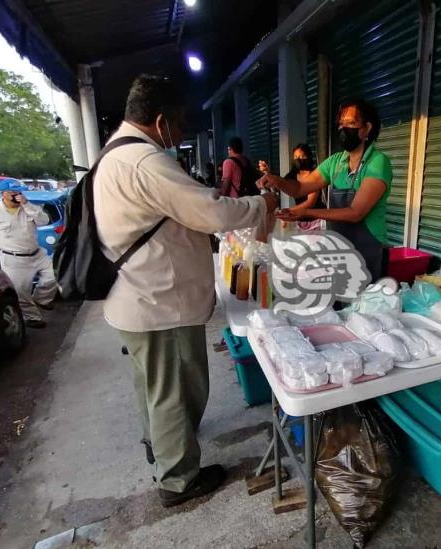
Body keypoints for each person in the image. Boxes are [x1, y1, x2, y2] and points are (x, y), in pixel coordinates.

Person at [92, 74, 278, 508]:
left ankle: (160, 447)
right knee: (175, 389)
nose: (179, 134)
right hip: (160, 302)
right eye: (177, 125)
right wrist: (262, 205)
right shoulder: (144, 160)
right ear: (160, 121)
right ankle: (177, 479)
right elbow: (209, 212)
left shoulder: (113, 153)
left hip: (137, 298)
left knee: (153, 386)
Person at [258, 99, 392, 280]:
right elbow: (299, 188)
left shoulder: (377, 162)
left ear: (367, 128)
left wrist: (308, 212)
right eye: (341, 124)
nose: (343, 129)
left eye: (351, 123)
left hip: (366, 250)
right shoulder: (336, 162)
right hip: (338, 248)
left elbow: (356, 213)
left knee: (363, 303)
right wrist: (276, 180)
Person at [0, 179, 57, 328]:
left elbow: (43, 221)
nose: (16, 196)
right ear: (3, 194)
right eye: (12, 193)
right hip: (13, 258)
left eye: (18, 192)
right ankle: (32, 317)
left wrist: (26, 204)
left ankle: (42, 299)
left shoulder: (28, 207)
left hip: (36, 253)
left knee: (53, 276)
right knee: (21, 291)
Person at [259, 143, 324, 232]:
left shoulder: (315, 174)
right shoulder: (292, 176)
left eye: (302, 156)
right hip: (300, 219)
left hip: (316, 219)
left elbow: (310, 203)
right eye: (296, 157)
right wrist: (267, 173)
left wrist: (288, 211)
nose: (299, 159)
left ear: (308, 157)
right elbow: (277, 187)